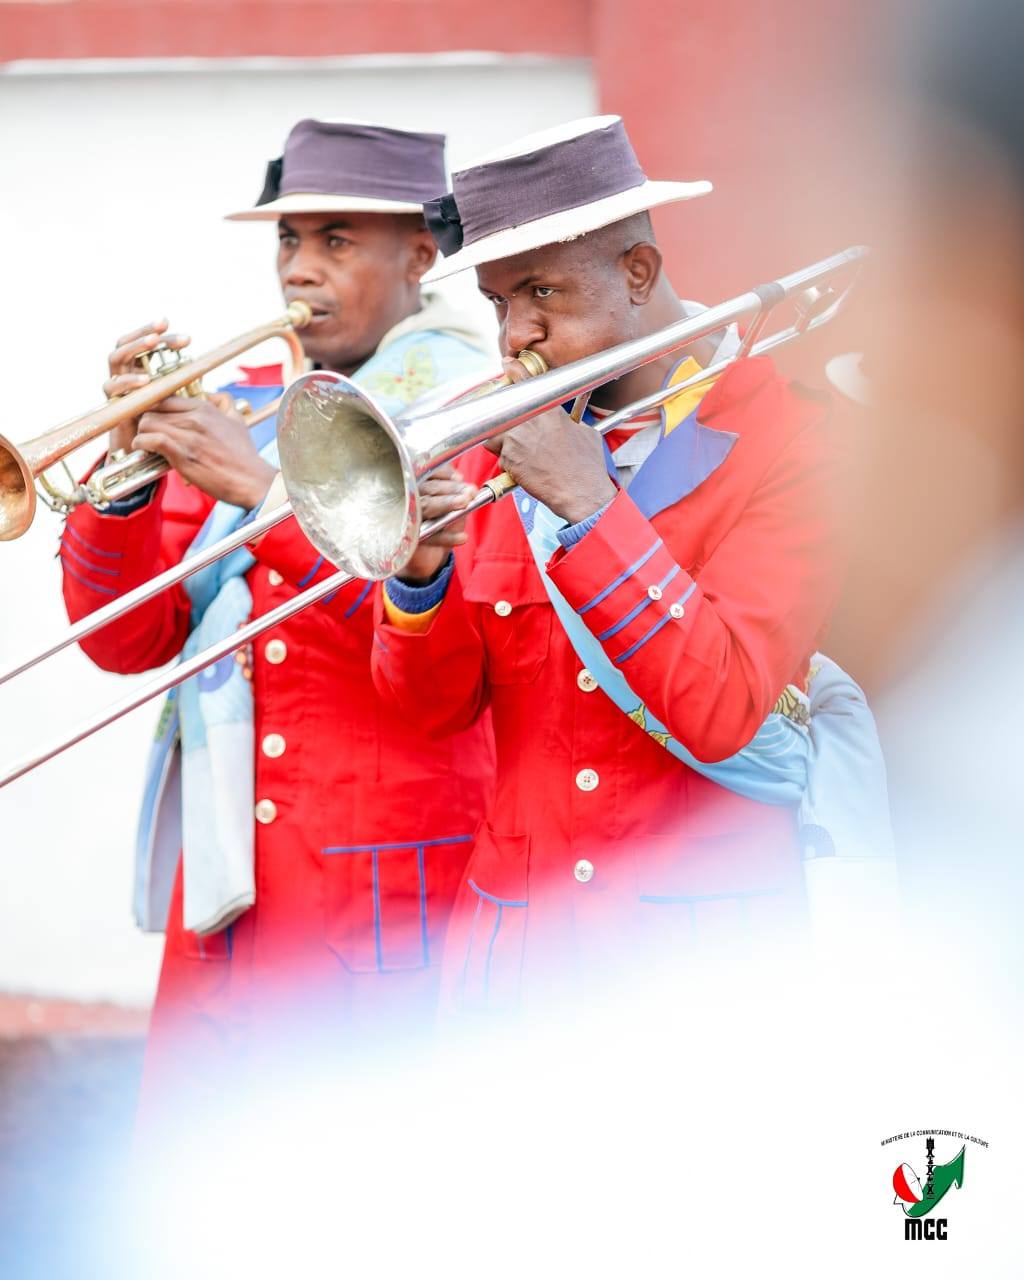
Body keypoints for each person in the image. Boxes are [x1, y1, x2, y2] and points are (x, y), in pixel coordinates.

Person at [372, 116, 891, 1014]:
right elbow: (431, 715)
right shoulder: (496, 441)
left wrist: (591, 507)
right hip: (518, 960)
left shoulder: (796, 443)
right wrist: (418, 583)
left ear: (639, 273)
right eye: (498, 303)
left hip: (702, 967)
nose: (516, 335)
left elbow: (723, 707)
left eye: (542, 291)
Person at [58, 118, 498, 1105]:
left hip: (386, 886)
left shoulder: (473, 407)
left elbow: (441, 651)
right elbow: (127, 639)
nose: (299, 268)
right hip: (229, 881)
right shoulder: (245, 403)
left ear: (420, 254)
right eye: (289, 240)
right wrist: (126, 477)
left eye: (337, 240)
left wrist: (263, 495)